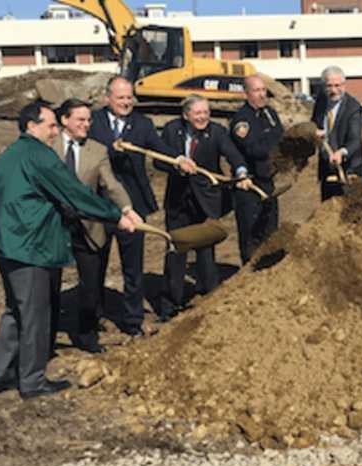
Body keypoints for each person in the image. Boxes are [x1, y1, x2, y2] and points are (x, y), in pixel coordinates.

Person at [0, 102, 135, 399]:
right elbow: (75, 193)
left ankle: (0, 374)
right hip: (31, 245)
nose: (56, 131)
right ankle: (32, 380)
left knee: (15, 310)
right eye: (51, 125)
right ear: (32, 126)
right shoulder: (39, 155)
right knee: (35, 315)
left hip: (7, 243)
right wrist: (116, 215)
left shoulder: (10, 154)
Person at [88, 76, 195, 337]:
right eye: (121, 97)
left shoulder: (142, 123)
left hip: (133, 204)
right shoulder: (94, 122)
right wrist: (111, 150)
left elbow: (159, 147)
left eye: (129, 97)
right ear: (107, 98)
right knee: (96, 263)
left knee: (133, 265)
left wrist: (178, 158)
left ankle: (133, 320)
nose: (126, 102)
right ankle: (94, 315)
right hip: (100, 204)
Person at [52, 98, 141, 353]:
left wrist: (127, 208)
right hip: (54, 226)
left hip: (87, 226)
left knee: (91, 283)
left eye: (89, 119)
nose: (86, 124)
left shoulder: (97, 150)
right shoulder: (48, 146)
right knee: (49, 283)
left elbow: (111, 184)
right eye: (80, 119)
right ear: (64, 120)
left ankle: (87, 334)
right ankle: (46, 336)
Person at [157, 95, 245, 321]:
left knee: (206, 251)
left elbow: (232, 154)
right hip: (178, 201)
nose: (203, 117)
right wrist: (177, 166)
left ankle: (210, 298)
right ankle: (171, 305)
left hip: (205, 200)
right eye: (198, 113)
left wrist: (241, 172)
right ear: (186, 115)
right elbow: (158, 160)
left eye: (206, 112)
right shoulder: (171, 129)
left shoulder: (216, 132)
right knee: (176, 250)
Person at [229, 74, 284, 264]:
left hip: (268, 181)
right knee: (251, 234)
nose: (262, 95)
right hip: (249, 185)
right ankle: (250, 272)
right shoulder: (241, 121)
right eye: (256, 91)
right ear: (246, 94)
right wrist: (275, 146)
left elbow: (281, 136)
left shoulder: (270, 113)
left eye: (263, 90)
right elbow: (253, 149)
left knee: (271, 230)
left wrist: (275, 145)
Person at [311, 65, 362, 200]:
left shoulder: (353, 108)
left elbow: (355, 140)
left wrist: (342, 152)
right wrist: (315, 132)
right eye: (329, 86)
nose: (333, 90)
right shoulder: (320, 101)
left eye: (337, 85)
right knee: (329, 212)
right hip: (327, 170)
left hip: (350, 170)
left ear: (344, 85)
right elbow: (314, 123)